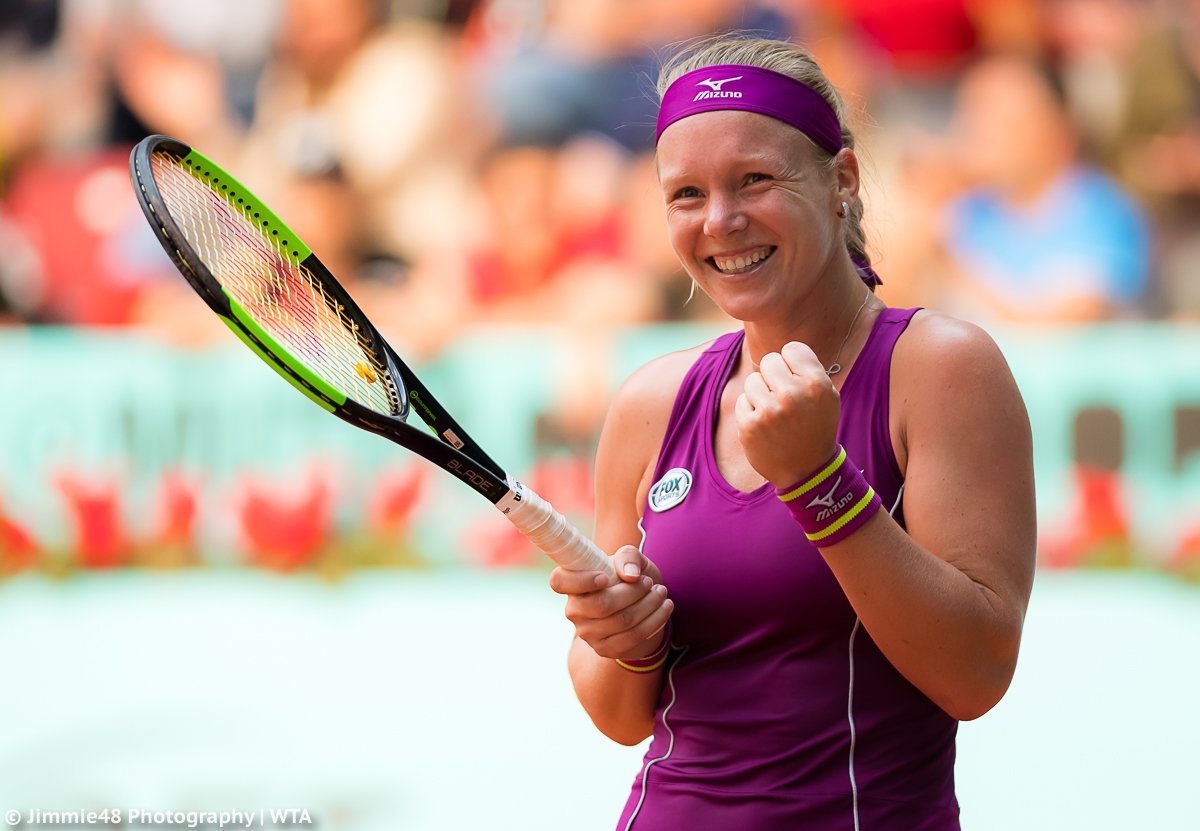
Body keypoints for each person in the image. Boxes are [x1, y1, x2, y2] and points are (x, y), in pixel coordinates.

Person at [548, 36, 1036, 830]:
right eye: (686, 194)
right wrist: (625, 640)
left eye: (754, 179)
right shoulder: (650, 402)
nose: (721, 220)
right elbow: (619, 716)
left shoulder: (943, 367)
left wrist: (820, 482)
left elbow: (975, 674)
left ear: (842, 179)